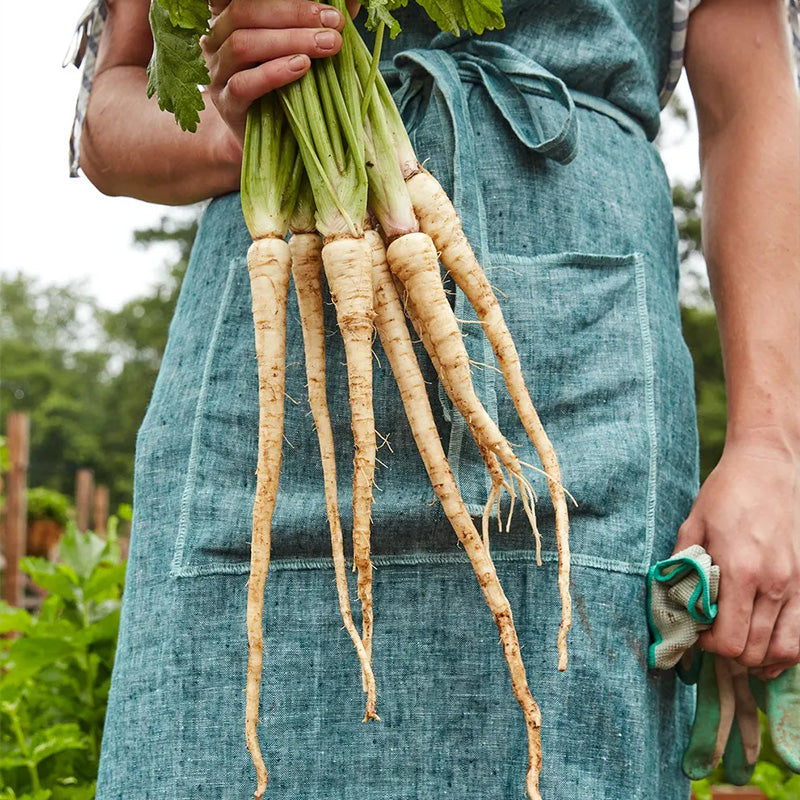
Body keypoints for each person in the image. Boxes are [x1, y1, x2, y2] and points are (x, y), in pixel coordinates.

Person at [75, 0, 800, 797]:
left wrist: (770, 445)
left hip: (581, 364)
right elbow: (108, 120)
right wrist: (232, 121)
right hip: (268, 349)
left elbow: (749, 106)